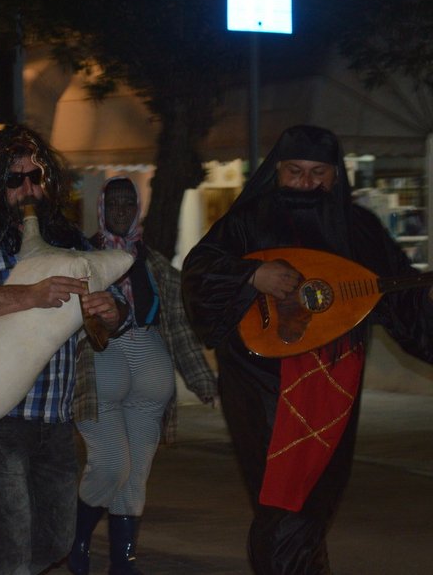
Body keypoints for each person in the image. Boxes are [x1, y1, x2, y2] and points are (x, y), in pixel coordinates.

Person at [181, 124, 433, 574]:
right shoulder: (247, 221)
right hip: (261, 383)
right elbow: (199, 273)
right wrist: (250, 277)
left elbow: (404, 302)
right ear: (276, 171)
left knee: (319, 493)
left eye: (319, 173)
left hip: (334, 382)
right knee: (282, 495)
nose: (307, 182)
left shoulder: (360, 230)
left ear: (337, 176)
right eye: (295, 171)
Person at [0, 125, 122, 575]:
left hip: (56, 418)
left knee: (58, 537)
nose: (27, 189)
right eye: (13, 179)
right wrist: (31, 294)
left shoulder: (71, 240)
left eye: (35, 177)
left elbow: (97, 333)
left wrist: (108, 314)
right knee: (12, 543)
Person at [68, 176, 217, 575]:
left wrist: (203, 381)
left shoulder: (155, 265)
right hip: (102, 365)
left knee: (136, 476)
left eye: (128, 204)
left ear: (137, 210)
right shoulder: (80, 260)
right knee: (111, 464)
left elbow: (181, 329)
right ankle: (77, 543)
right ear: (101, 208)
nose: (121, 210)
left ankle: (124, 561)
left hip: (150, 369)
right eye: (113, 203)